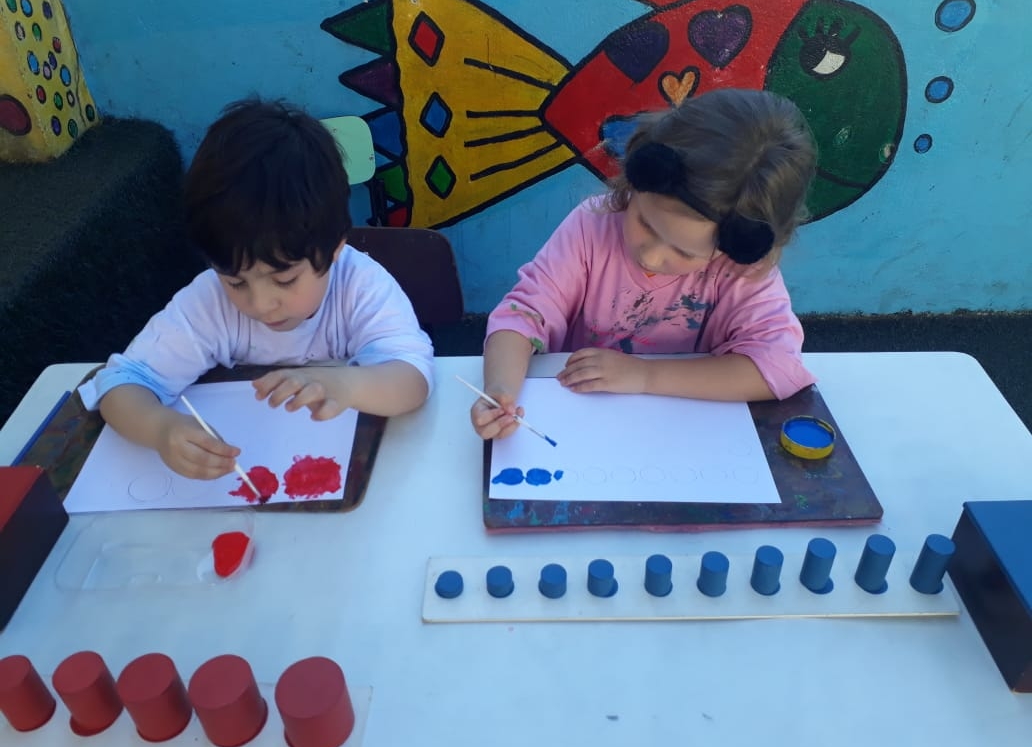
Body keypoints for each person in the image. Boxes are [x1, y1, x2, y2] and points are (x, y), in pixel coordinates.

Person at [78, 98, 434, 478]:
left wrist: (345, 385)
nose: (260, 304)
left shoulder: (360, 287)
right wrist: (161, 429)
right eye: (235, 281)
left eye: (284, 280)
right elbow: (121, 383)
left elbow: (412, 378)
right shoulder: (210, 301)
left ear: (334, 249)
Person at [471, 88, 817, 440]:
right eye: (645, 223)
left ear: (740, 246)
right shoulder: (593, 226)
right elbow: (523, 314)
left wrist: (645, 375)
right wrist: (500, 389)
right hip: (579, 422)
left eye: (684, 252)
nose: (650, 255)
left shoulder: (740, 270)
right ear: (639, 175)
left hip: (680, 436)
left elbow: (778, 367)